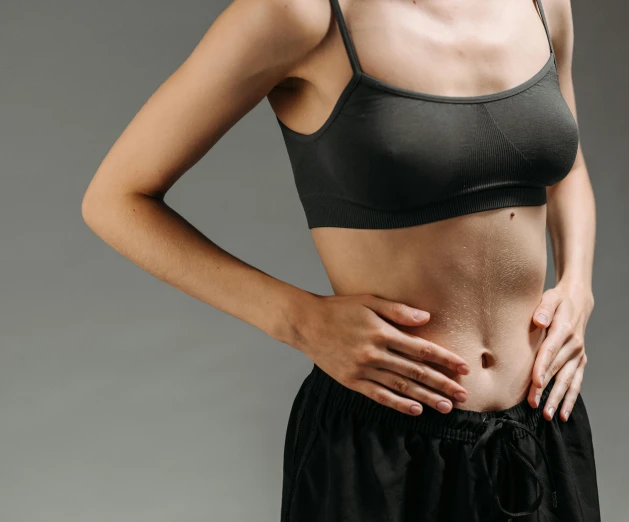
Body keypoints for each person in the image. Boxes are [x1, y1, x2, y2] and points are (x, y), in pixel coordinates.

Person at [81, 0, 600, 520]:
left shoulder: (542, 5)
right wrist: (298, 319)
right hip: (384, 446)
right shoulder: (300, 14)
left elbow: (566, 164)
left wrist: (578, 284)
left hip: (541, 428)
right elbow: (115, 199)